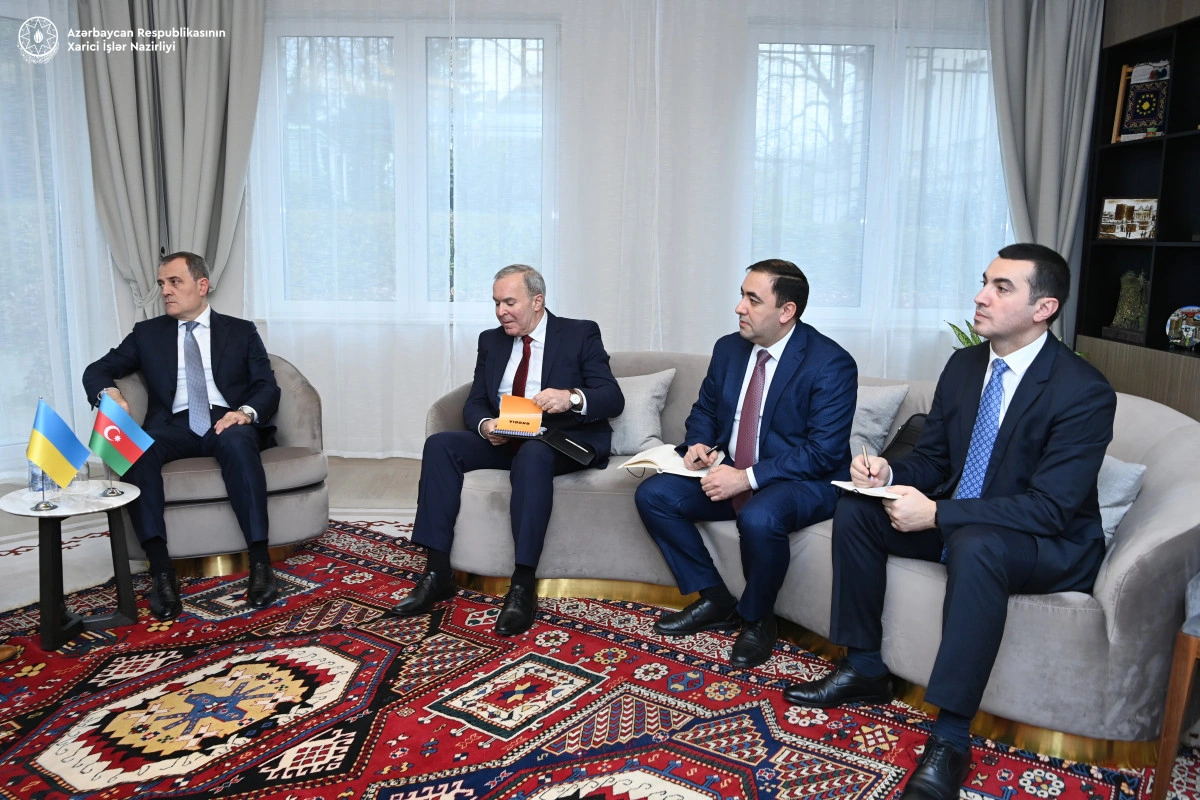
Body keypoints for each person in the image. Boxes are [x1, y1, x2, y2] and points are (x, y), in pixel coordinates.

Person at [783, 244, 1116, 800]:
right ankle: (864, 667)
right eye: (984, 281)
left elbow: (1050, 508)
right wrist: (890, 471)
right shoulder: (965, 365)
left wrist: (937, 512)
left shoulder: (1083, 390)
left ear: (1044, 308)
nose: (980, 296)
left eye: (1002, 288)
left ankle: (951, 737)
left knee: (978, 545)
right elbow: (935, 460)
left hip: (1046, 543)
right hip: (965, 521)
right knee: (858, 508)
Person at [635, 259, 857, 669]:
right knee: (654, 494)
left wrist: (746, 477)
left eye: (753, 299)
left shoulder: (830, 363)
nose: (739, 307)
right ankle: (714, 598)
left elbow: (823, 452)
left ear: (786, 311)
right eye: (742, 296)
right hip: (733, 468)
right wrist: (699, 443)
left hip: (802, 481)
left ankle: (758, 619)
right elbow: (706, 409)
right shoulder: (729, 349)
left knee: (759, 516)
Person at [393, 264, 624, 636]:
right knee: (440, 445)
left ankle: (522, 585)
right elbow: (475, 401)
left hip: (557, 441)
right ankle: (437, 573)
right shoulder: (492, 340)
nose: (501, 311)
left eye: (510, 302)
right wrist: (486, 426)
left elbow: (612, 397)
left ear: (537, 301)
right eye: (496, 303)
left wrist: (570, 397)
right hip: (507, 437)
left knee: (533, 455)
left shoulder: (579, 333)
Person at [83, 251, 281, 621]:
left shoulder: (240, 331)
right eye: (162, 283)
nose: (166, 291)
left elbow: (266, 385)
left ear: (202, 286)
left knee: (239, 443)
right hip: (173, 424)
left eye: (175, 282)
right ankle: (161, 572)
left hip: (225, 417)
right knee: (134, 451)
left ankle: (259, 562)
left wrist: (245, 413)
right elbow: (98, 369)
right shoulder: (147, 334)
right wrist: (109, 393)